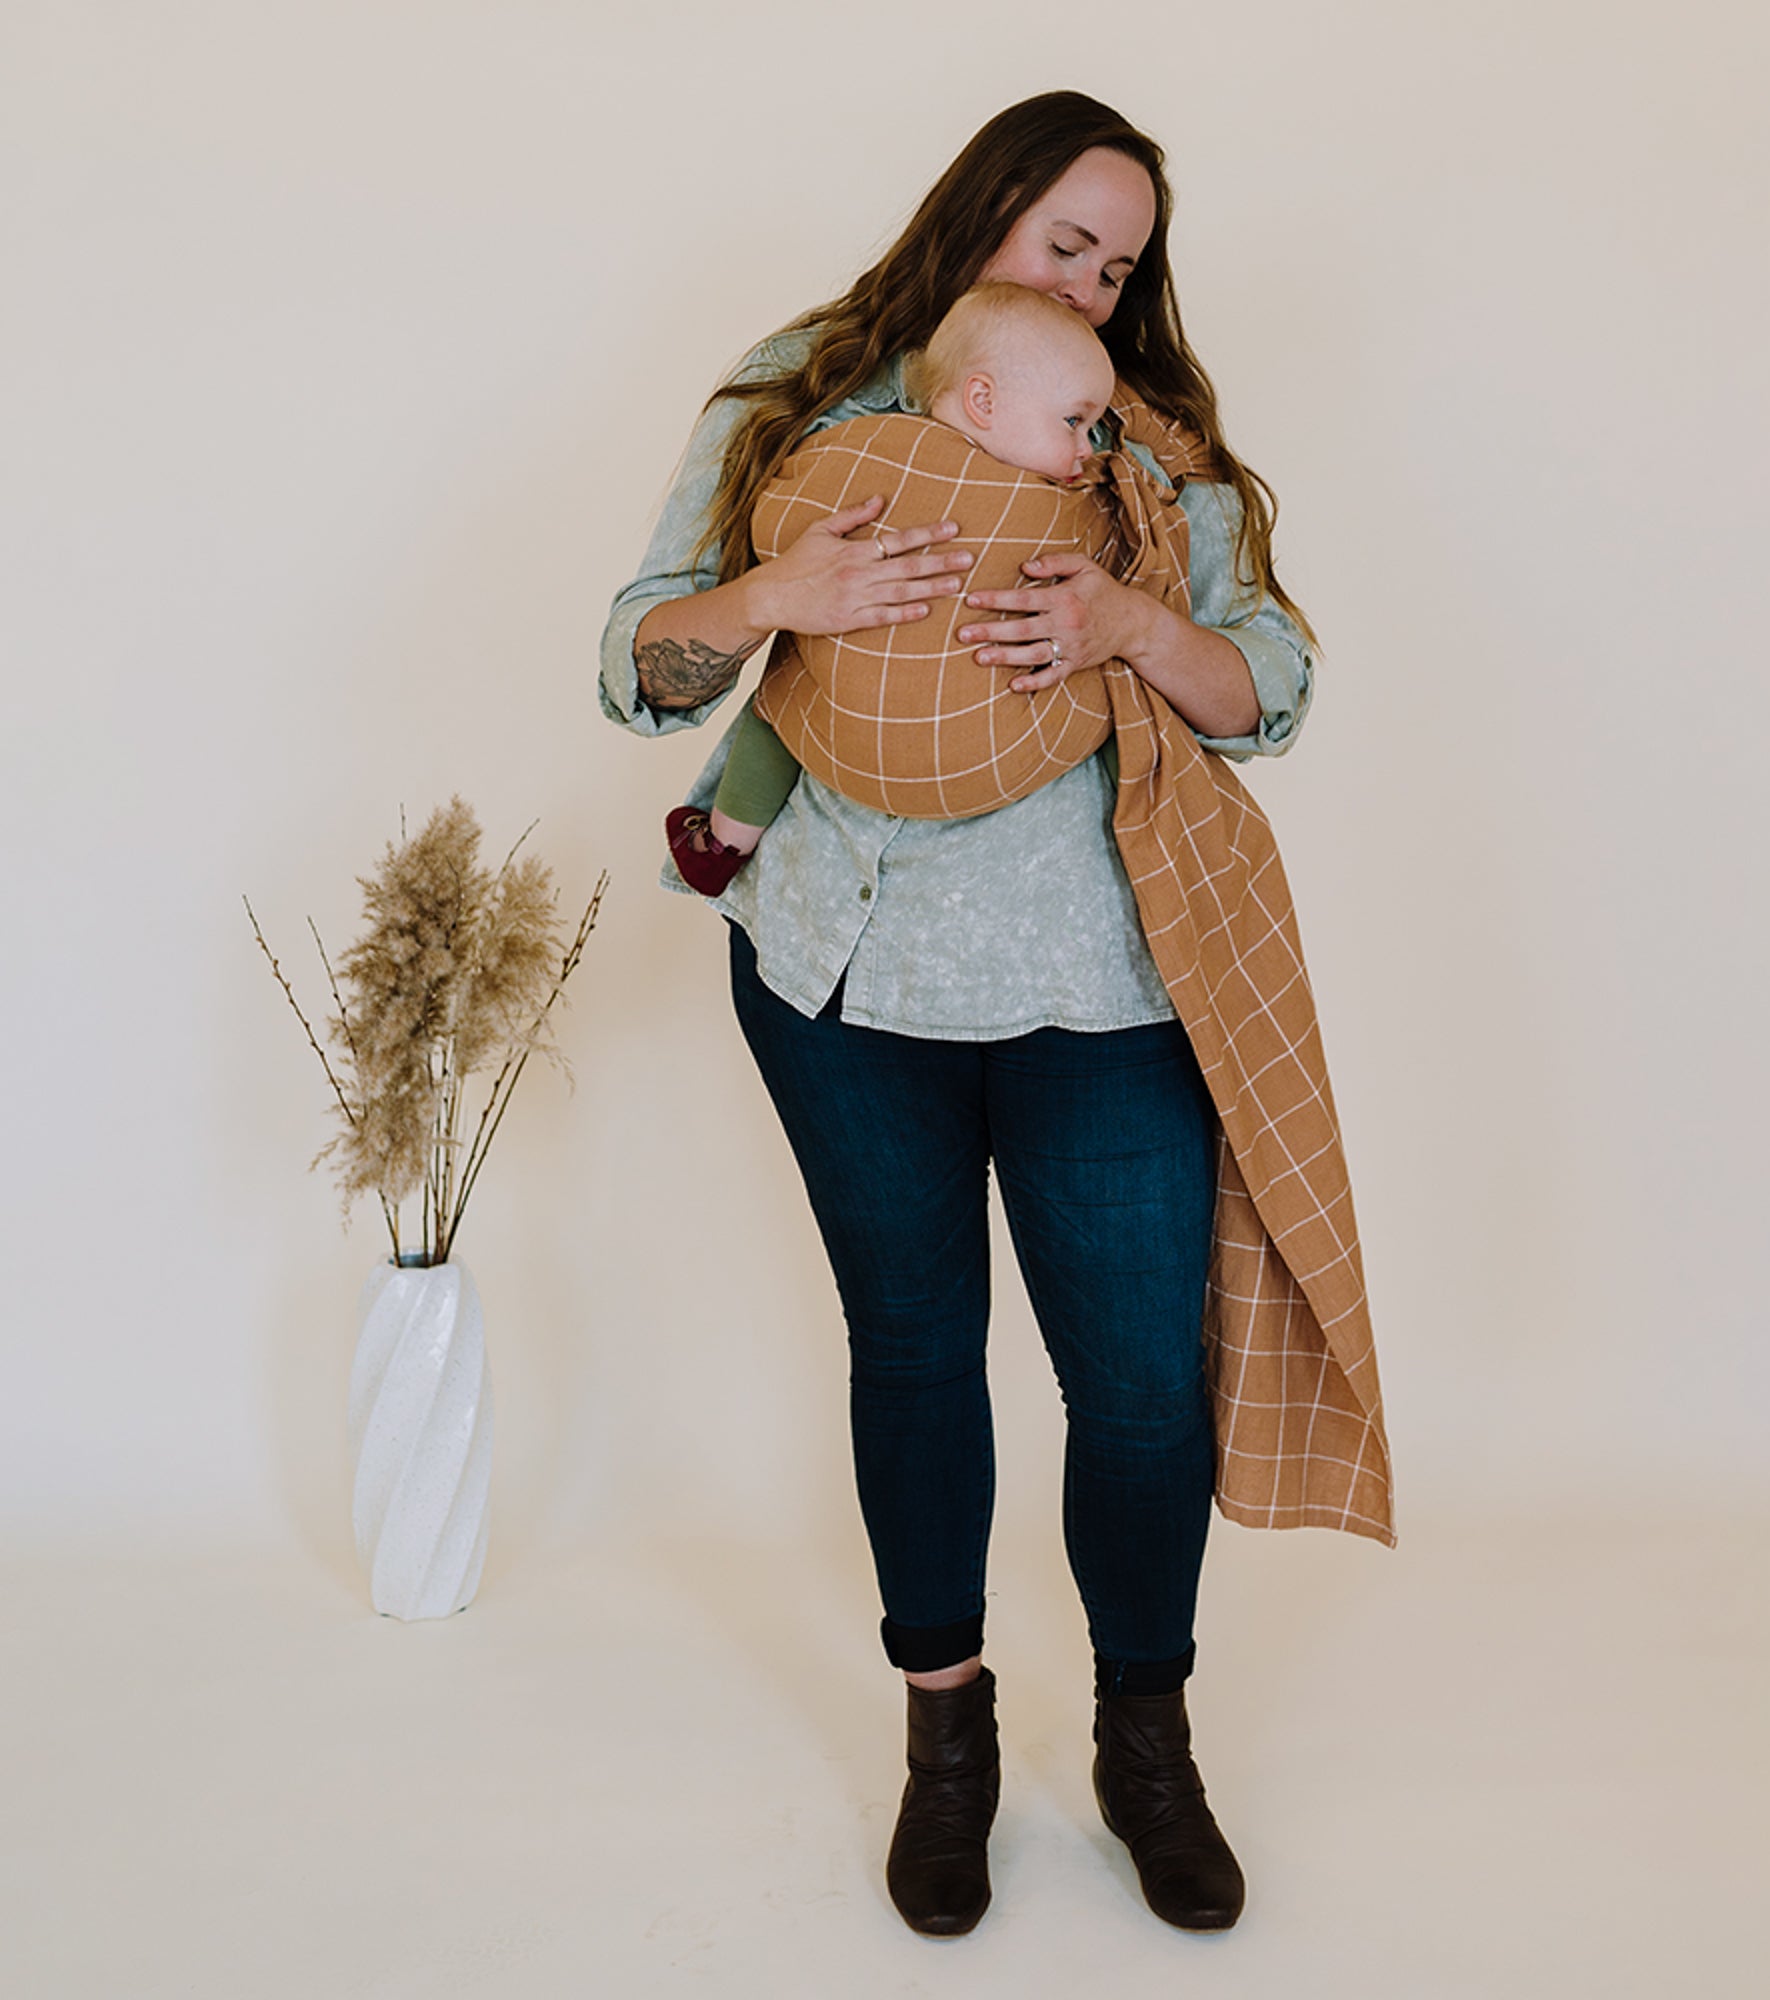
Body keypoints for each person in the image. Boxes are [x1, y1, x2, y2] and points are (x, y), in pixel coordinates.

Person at [599, 91, 1391, 1939]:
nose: (1098, 291)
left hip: (1099, 987)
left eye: (1122, 268)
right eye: (1068, 245)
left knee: (1132, 1386)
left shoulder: (1133, 446)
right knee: (913, 1350)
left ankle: (1146, 1738)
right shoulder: (797, 395)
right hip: (839, 979)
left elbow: (1267, 688)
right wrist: (780, 591)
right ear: (983, 209)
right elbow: (643, 660)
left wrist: (1125, 624)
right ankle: (944, 1738)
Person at [665, 280, 1118, 894]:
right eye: (1074, 422)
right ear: (982, 400)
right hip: (984, 769)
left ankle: (724, 840)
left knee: (782, 698)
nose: (1087, 450)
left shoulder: (849, 449)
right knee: (1119, 697)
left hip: (845, 739)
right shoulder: (1073, 509)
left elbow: (776, 517)